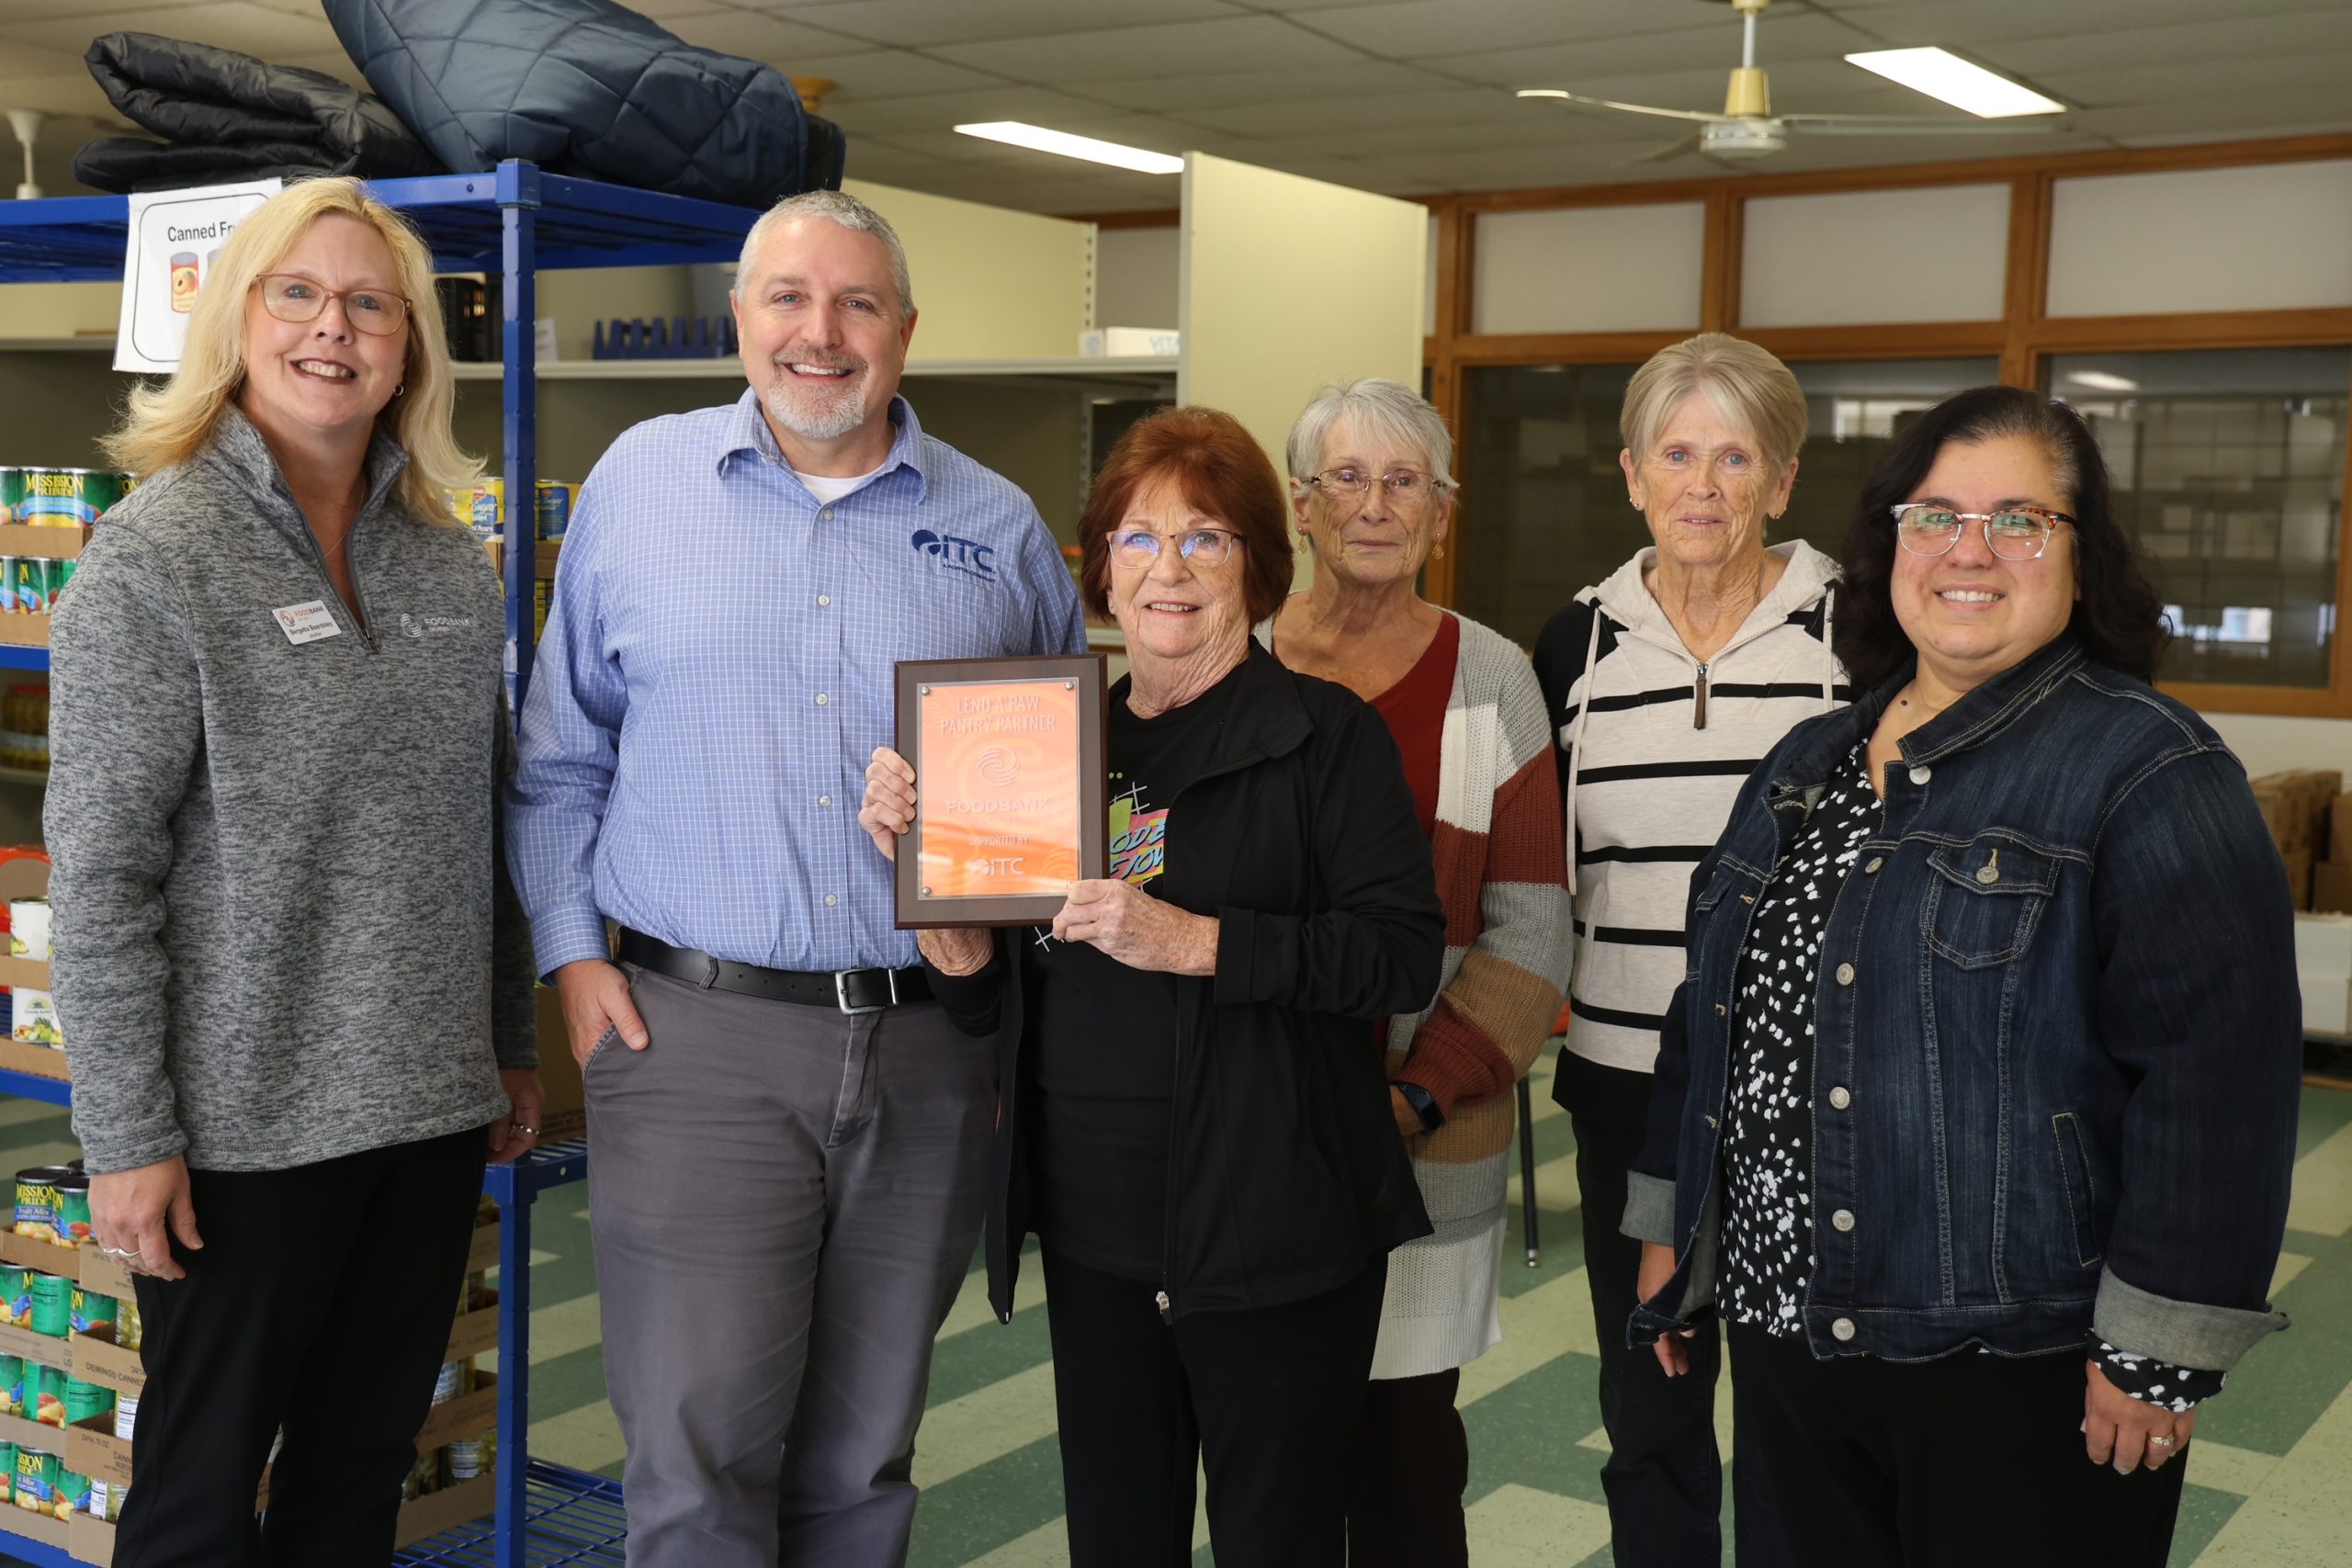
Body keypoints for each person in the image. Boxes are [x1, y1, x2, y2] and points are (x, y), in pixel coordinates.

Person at [505, 188, 1084, 1565]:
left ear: (905, 331)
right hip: (692, 1036)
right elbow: (558, 755)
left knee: (864, 1455)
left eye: (857, 303)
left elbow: (1069, 793)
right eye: (789, 299)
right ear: (740, 319)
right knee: (699, 1455)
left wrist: (998, 942)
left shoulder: (996, 528)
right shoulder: (638, 488)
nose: (820, 334)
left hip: (931, 1050)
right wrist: (575, 961)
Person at [1628, 385, 2302, 1566]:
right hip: (1792, 1330)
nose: (1968, 553)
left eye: (2019, 521)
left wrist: (2153, 1352)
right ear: (1888, 543)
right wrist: (1671, 1227)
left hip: (2013, 1357)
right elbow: (1711, 1009)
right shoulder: (1812, 758)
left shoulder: (2150, 768)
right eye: (1933, 515)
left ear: (2081, 561)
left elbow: (2215, 1085)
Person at [46, 176, 538, 1567]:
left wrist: (506, 1044)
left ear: (411, 347)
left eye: (371, 303)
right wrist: (126, 1133)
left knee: (357, 1480)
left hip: (426, 1112)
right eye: (299, 294)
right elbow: (99, 877)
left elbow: (480, 830)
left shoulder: (450, 560)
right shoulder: (152, 559)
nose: (337, 328)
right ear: (239, 320)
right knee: (199, 1501)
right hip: (239, 1131)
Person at [858, 405, 1444, 1567]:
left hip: (1275, 1220)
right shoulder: (1048, 735)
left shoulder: (1325, 738)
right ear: (1101, 573)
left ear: (1259, 570)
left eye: (1206, 540)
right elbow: (993, 1003)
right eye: (1137, 540)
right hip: (1097, 1226)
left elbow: (1398, 953)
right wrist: (930, 893)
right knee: (1118, 1540)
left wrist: (1198, 941)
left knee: (1275, 1540)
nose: (1167, 571)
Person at [1532, 333, 1833, 1567]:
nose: (1702, 484)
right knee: (1648, 1386)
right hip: (1621, 1078)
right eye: (1676, 454)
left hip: (1810, 1086)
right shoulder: (1574, 647)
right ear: (1631, 472)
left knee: (1799, 1399)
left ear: (1782, 478)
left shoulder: (1857, 632)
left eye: (1733, 455)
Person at [1262, 378, 1566, 1565]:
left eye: (1406, 483)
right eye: (1348, 477)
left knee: (1405, 1460)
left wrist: (1411, 1092)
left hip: (1428, 1136)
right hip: (1251, 1137)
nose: (1376, 505)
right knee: (1266, 1446)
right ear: (1300, 504)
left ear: (1443, 511)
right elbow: (1150, 881)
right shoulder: (1227, 659)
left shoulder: (1494, 679)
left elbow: (1532, 928)